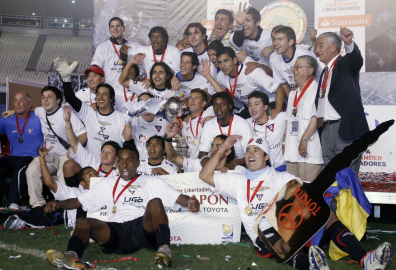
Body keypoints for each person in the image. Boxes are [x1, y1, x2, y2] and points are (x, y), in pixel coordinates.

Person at [199, 135, 392, 270]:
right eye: (248, 150)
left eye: (257, 150)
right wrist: (223, 148)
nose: (251, 154)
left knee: (325, 215)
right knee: (276, 239)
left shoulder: (279, 177)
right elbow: (204, 175)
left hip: (289, 226)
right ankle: (312, 266)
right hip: (263, 235)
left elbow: (310, 190)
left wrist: (333, 184)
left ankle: (366, 259)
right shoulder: (237, 179)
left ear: (266, 157)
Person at [44, 144, 200, 269]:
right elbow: (79, 202)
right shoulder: (107, 183)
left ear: (138, 163)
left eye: (130, 160)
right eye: (121, 161)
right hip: (117, 231)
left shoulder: (151, 181)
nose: (124, 165)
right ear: (117, 162)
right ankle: (72, 256)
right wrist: (59, 204)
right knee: (84, 222)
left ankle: (164, 249)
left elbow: (179, 198)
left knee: (155, 202)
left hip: (143, 229)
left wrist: (191, 203)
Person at [1, 86, 87, 208]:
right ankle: (37, 205)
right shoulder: (40, 111)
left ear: (58, 101)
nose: (45, 100)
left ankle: (60, 206)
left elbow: (83, 134)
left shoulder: (66, 113)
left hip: (67, 155)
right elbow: (29, 108)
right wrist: (14, 111)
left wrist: (74, 147)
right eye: (43, 97)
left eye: (49, 97)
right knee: (32, 169)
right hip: (50, 155)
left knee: (63, 173)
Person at [314, 27, 369, 175]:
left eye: (320, 45)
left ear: (333, 47)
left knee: (346, 178)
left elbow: (356, 59)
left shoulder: (345, 64)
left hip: (345, 128)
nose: (317, 50)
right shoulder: (324, 72)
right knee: (329, 180)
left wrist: (349, 43)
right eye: (316, 46)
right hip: (326, 129)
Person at [200, 47, 285, 119]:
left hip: (268, 104)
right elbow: (222, 95)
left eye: (226, 61)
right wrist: (208, 76)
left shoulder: (251, 72)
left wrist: (277, 110)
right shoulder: (221, 76)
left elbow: (279, 88)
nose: (223, 65)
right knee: (234, 124)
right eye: (220, 62)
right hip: (249, 108)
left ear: (234, 60)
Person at [39, 139, 98, 228]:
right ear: (82, 183)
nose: (95, 175)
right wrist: (42, 158)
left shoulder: (105, 189)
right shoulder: (76, 192)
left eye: (95, 173)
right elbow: (49, 183)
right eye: (90, 175)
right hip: (62, 216)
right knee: (34, 214)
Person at [0, 92, 43, 209]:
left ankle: (14, 203)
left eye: (21, 100)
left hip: (33, 157)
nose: (18, 104)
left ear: (29, 103)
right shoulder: (7, 120)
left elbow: (49, 110)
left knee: (21, 165)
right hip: (13, 156)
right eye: (15, 101)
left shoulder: (39, 118)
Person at [284, 55, 323, 182]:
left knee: (309, 195)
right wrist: (284, 143)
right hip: (292, 152)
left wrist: (304, 139)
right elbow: (288, 121)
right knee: (293, 195)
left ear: (310, 70)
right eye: (294, 67)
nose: (294, 69)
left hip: (309, 152)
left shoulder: (317, 90)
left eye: (298, 67)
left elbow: (316, 119)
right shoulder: (292, 94)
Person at [90, 17, 141, 111]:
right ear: (109, 30)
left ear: (123, 28)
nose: (115, 29)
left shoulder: (134, 46)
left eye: (118, 26)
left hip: (131, 92)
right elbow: (96, 72)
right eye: (112, 27)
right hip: (111, 94)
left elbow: (144, 67)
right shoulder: (103, 47)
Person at [62, 105, 120, 185]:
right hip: (87, 195)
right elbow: (74, 143)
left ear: (116, 158)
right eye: (103, 151)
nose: (105, 154)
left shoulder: (118, 172)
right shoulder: (92, 161)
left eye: (110, 152)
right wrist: (67, 122)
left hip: (106, 196)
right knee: (68, 164)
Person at [198, 91, 253, 168]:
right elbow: (202, 155)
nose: (218, 108)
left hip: (239, 167)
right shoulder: (209, 125)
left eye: (222, 104)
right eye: (215, 105)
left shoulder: (242, 124)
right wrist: (214, 165)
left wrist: (232, 164)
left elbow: (251, 154)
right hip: (215, 167)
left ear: (230, 106)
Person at [270, 26, 322, 97]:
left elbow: (312, 78)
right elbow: (283, 84)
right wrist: (291, 101)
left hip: (316, 92)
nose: (276, 43)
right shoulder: (274, 58)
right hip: (297, 94)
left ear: (290, 42)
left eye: (280, 39)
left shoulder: (303, 54)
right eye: (274, 39)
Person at [165, 122, 235, 173]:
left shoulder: (235, 171)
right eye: (212, 145)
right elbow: (173, 159)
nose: (214, 149)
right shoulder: (199, 165)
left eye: (218, 146)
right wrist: (167, 139)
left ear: (228, 151)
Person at [246, 91, 286, 171]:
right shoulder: (245, 124)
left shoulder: (279, 118)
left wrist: (284, 142)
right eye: (250, 105)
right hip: (260, 171)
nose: (252, 108)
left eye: (256, 104)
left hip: (281, 167)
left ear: (266, 107)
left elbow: (296, 117)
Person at [119, 56, 184, 102]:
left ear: (167, 76)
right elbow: (122, 81)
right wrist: (131, 62)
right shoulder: (144, 87)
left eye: (161, 72)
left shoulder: (175, 91)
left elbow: (184, 107)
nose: (157, 75)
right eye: (154, 72)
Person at [128, 93, 170, 160]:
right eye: (141, 102)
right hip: (141, 164)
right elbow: (127, 138)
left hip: (159, 162)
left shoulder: (163, 122)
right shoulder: (134, 121)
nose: (144, 104)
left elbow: (169, 142)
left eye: (147, 101)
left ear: (153, 103)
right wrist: (128, 119)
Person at [181, 89, 214, 158]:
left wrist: (214, 117)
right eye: (190, 98)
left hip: (208, 160)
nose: (192, 100)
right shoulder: (184, 123)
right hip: (192, 163)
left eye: (196, 98)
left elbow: (225, 100)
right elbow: (184, 148)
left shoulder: (209, 112)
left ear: (203, 104)